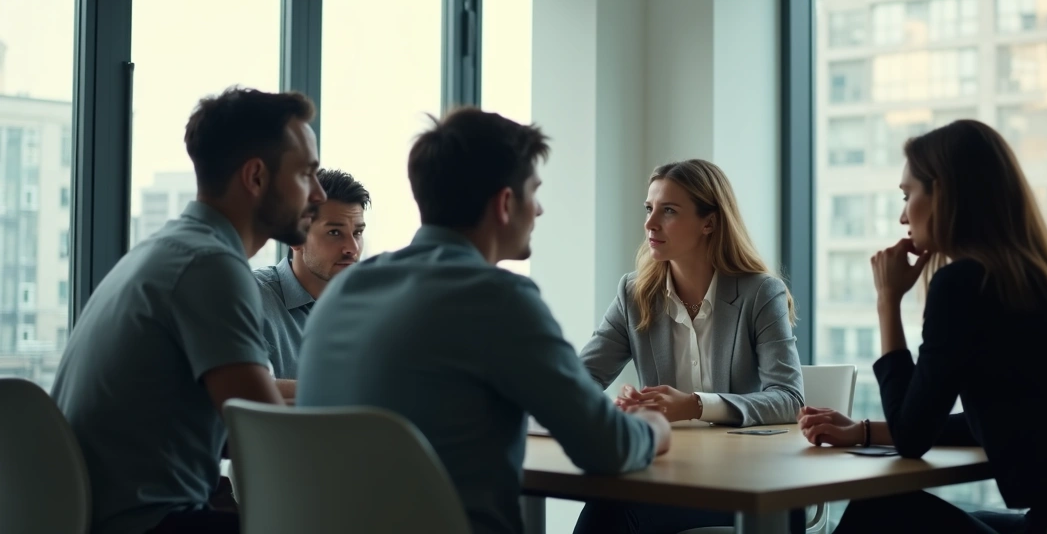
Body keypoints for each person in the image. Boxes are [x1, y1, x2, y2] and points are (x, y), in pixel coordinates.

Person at [295, 108, 671, 534]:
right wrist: (652, 425)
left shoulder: (344, 290)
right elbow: (607, 448)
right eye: (534, 191)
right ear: (506, 203)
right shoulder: (499, 298)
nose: (541, 209)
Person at [799, 120, 1047, 534]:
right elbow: (997, 421)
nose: (902, 216)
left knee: (877, 509)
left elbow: (913, 438)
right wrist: (866, 431)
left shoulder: (965, 285)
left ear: (941, 192)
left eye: (908, 195)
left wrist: (887, 301)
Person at [51, 87, 326, 534]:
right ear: (256, 177)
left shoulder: (171, 248)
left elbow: (249, 392)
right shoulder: (211, 265)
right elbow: (266, 436)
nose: (318, 193)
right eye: (306, 175)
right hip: (153, 524)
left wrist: (338, 393)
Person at [574, 159, 806, 534]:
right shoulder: (634, 295)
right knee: (608, 504)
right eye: (649, 209)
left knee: (614, 511)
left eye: (668, 211)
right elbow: (578, 380)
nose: (650, 224)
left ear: (709, 222)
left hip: (751, 486)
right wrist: (627, 407)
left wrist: (694, 405)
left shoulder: (760, 293)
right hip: (671, 480)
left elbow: (790, 398)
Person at [253, 168, 370, 401]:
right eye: (335, 232)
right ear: (295, 238)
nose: (352, 249)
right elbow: (243, 386)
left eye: (357, 233)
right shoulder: (252, 297)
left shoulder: (368, 307)